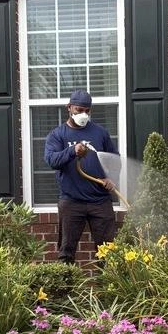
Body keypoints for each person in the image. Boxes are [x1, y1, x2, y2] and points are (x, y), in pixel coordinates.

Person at [44, 89, 119, 264]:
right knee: (66, 252)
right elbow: (51, 160)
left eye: (87, 110)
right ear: (69, 108)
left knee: (108, 252)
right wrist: (72, 150)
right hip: (71, 201)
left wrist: (111, 178)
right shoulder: (58, 135)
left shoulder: (100, 133)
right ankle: (65, 289)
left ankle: (109, 289)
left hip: (100, 201)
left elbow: (114, 159)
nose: (83, 114)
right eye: (79, 110)